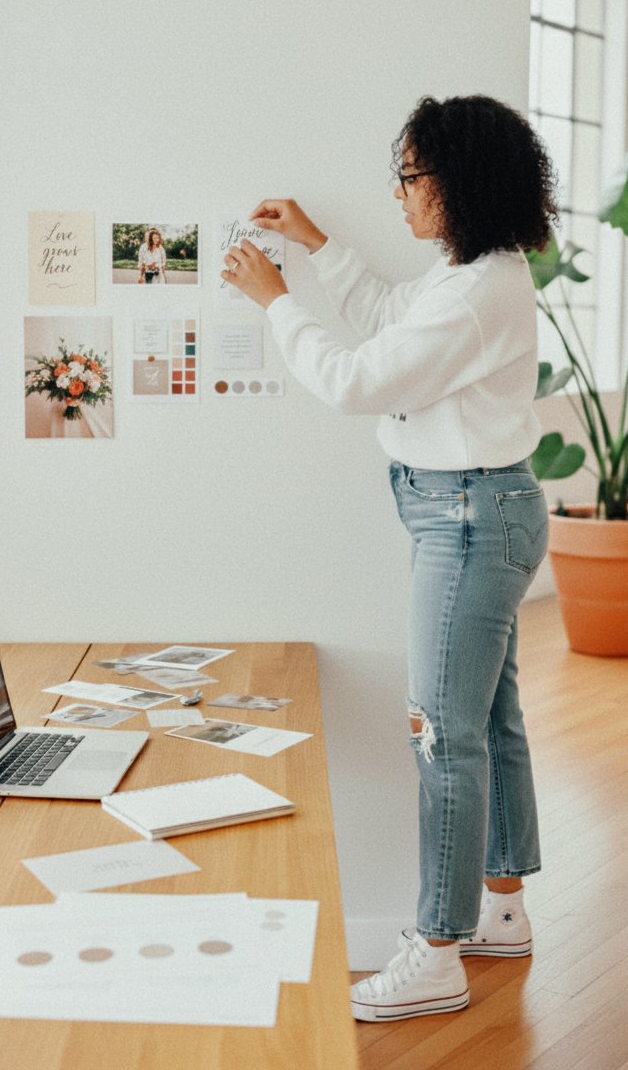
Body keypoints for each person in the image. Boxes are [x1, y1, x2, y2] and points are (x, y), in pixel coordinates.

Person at [222, 94, 556, 1024]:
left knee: (443, 733)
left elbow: (355, 379)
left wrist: (275, 299)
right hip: (476, 511)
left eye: (410, 176)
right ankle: (502, 909)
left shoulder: (480, 293)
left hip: (468, 519)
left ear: (458, 181)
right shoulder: (473, 273)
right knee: (487, 719)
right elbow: (383, 315)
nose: (401, 195)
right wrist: (320, 243)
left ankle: (439, 950)